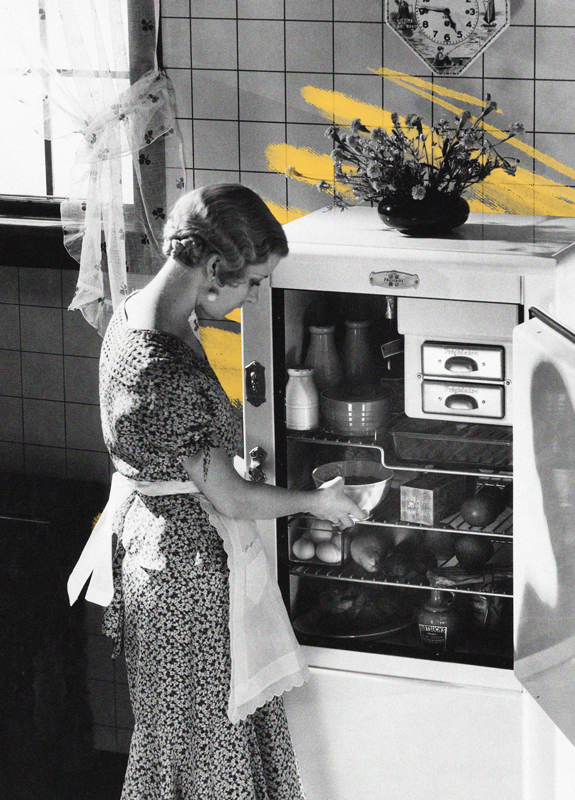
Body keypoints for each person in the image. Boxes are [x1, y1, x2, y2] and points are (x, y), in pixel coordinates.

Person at [86, 183, 363, 799]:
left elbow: (170, 457)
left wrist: (220, 466)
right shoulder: (169, 364)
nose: (254, 295)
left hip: (150, 553)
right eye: (254, 282)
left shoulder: (133, 313)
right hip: (185, 578)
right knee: (210, 749)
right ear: (215, 268)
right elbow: (231, 499)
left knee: (180, 743)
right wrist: (318, 502)